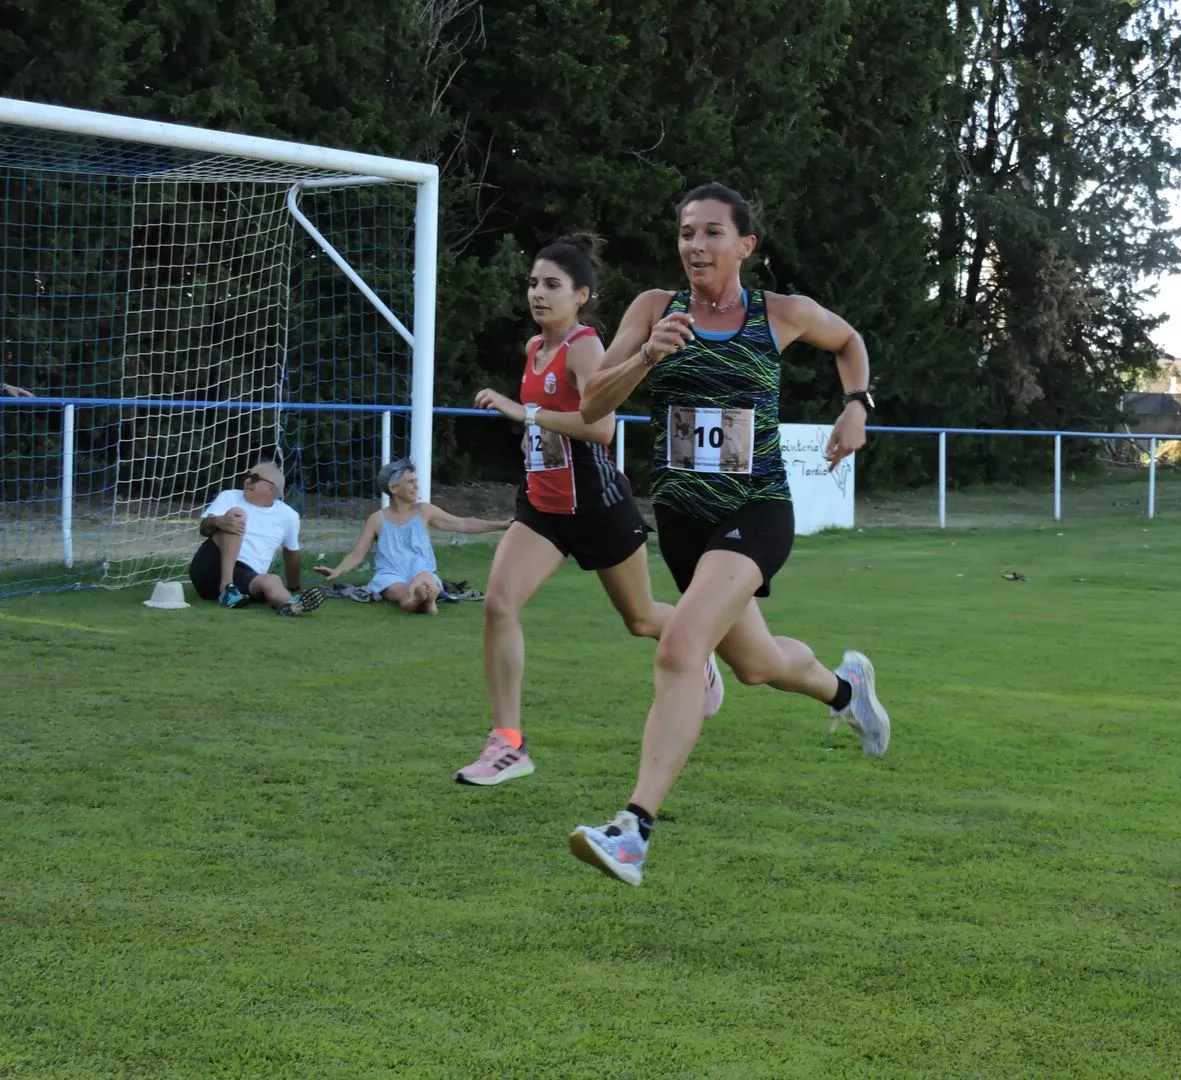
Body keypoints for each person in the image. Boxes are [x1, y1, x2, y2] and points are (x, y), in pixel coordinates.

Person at [567, 182, 889, 886]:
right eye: (686, 232)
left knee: (681, 644)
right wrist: (647, 355)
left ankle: (632, 829)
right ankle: (845, 690)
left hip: (758, 509)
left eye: (712, 233)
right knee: (757, 664)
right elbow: (592, 406)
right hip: (684, 520)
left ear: (745, 245)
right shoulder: (655, 310)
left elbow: (850, 341)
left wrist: (856, 408)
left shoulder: (780, 314)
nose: (695, 245)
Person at [452, 234, 725, 788]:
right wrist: (528, 422)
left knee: (643, 619)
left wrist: (521, 412)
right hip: (543, 508)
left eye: (552, 285)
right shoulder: (534, 349)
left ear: (582, 295)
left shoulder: (585, 348)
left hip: (597, 506)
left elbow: (600, 427)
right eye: (533, 282)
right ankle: (508, 744)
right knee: (499, 606)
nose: (537, 293)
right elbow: (547, 426)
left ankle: (699, 646)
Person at [313, 458, 510, 613]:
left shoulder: (424, 511)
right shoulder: (377, 519)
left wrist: (502, 525)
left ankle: (424, 596)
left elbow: (463, 523)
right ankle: (423, 600)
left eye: (416, 481)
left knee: (424, 577)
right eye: (411, 482)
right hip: (390, 575)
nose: (417, 486)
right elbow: (357, 554)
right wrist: (337, 571)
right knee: (402, 594)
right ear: (393, 488)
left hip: (420, 571)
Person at [188, 460, 326, 616]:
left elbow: (291, 553)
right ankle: (227, 587)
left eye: (255, 478)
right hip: (211, 565)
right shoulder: (229, 497)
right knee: (236, 515)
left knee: (271, 580)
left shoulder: (289, 516)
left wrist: (294, 586)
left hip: (246, 575)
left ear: (271, 488)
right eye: (248, 476)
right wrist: (219, 521)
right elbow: (204, 529)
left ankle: (291, 604)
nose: (248, 480)